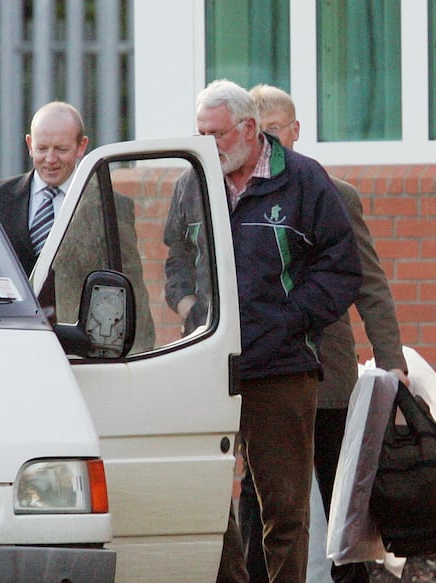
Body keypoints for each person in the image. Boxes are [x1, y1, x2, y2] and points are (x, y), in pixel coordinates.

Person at [164, 79, 363, 583]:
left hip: (282, 367)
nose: (206, 144)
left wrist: (290, 321)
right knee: (208, 498)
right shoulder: (193, 181)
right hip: (209, 362)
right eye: (200, 133)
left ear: (250, 128)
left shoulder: (303, 181)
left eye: (217, 134)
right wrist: (189, 307)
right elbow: (177, 261)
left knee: (284, 507)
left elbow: (341, 269)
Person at [236, 84, 409, 583]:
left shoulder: (333, 193)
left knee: (342, 497)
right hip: (261, 371)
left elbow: (369, 282)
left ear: (295, 131)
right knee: (259, 496)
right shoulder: (230, 196)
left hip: (325, 374)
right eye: (260, 131)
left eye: (276, 130)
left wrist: (389, 356)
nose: (269, 140)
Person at [0, 101, 155, 352]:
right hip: (10, 347)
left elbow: (131, 286)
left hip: (81, 353)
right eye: (42, 148)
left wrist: (139, 352)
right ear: (30, 145)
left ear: (81, 146)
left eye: (61, 149)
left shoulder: (109, 206)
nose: (50, 159)